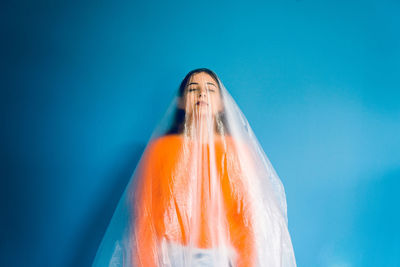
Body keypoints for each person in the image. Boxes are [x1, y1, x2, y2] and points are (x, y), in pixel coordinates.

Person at [92, 68, 297, 267]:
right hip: (171, 256)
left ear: (221, 104)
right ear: (180, 102)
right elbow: (145, 213)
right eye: (192, 89)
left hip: (223, 257)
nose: (201, 93)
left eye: (210, 89)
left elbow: (248, 217)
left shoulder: (238, 152)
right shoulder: (161, 149)